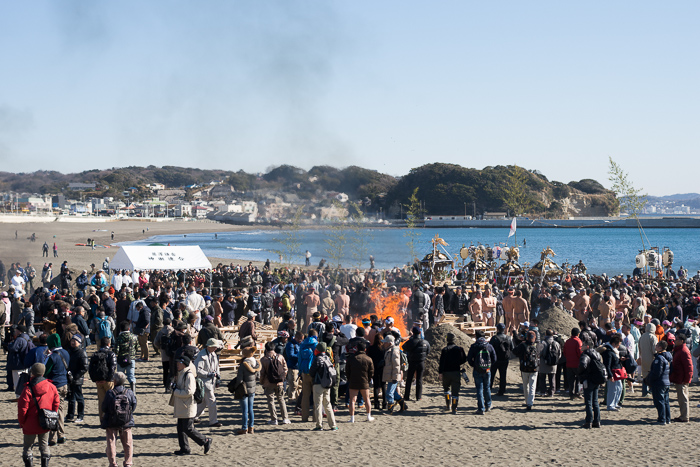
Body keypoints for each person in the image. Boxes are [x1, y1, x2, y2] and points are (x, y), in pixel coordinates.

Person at [18, 363, 59, 467]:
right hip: (46, 421)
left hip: (29, 423)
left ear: (32, 373)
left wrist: (21, 422)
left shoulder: (27, 389)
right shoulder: (51, 387)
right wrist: (52, 415)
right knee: (44, 446)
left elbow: (22, 409)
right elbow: (56, 403)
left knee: (28, 447)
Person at [169, 356, 212, 455]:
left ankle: (205, 440)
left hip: (187, 406)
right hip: (182, 405)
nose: (177, 364)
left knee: (188, 428)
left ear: (184, 363)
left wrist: (175, 391)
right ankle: (184, 448)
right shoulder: (180, 373)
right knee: (180, 428)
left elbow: (189, 391)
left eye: (179, 362)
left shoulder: (188, 375)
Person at [101, 372, 137, 467]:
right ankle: (128, 462)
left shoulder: (110, 393)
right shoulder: (129, 392)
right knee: (128, 443)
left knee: (111, 442)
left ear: (115, 381)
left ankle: (113, 463)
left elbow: (104, 407)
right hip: (126, 421)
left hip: (111, 421)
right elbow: (133, 405)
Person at [45, 333, 69, 445]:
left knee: (54, 411)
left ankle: (55, 437)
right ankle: (60, 435)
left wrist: (46, 357)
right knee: (60, 409)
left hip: (55, 386)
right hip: (64, 384)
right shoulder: (66, 353)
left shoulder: (53, 356)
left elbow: (45, 371)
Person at [308, 342, 338, 431]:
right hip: (327, 384)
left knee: (318, 405)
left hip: (318, 384)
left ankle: (319, 425)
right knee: (328, 405)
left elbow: (311, 372)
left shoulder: (318, 359)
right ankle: (333, 425)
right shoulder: (328, 358)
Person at [467, 330, 497, 414]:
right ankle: (488, 405)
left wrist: (474, 365)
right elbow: (494, 358)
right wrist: (489, 366)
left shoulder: (474, 346)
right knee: (487, 388)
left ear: (476, 337)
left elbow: (469, 358)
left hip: (477, 370)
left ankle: (481, 408)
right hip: (487, 370)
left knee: (479, 389)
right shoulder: (489, 346)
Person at [260, 341, 290, 425]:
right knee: (281, 399)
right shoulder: (280, 357)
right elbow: (285, 369)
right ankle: (285, 418)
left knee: (270, 401)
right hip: (279, 382)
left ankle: (274, 419)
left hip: (268, 383)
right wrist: (282, 378)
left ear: (266, 349)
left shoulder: (263, 359)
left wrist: (262, 382)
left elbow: (262, 373)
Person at [194, 338, 222, 427]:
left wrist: (218, 377)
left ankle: (192, 417)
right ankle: (213, 421)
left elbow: (217, 367)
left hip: (211, 382)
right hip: (204, 382)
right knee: (212, 401)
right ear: (209, 346)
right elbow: (197, 370)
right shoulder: (201, 355)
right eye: (214, 347)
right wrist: (208, 374)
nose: (216, 349)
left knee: (203, 402)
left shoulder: (213, 354)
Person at [89, 337, 118, 422]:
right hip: (108, 381)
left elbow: (90, 368)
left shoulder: (95, 354)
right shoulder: (111, 354)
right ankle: (111, 419)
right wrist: (108, 379)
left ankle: (102, 420)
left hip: (98, 381)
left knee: (101, 401)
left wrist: (95, 379)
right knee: (111, 400)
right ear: (108, 344)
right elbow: (113, 368)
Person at [577, 340, 604, 428]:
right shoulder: (597, 354)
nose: (581, 346)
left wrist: (580, 373)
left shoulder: (585, 355)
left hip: (588, 379)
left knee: (588, 401)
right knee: (595, 401)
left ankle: (589, 421)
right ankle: (597, 421)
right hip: (597, 379)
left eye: (583, 345)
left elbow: (582, 365)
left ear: (587, 346)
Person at [345, 340, 375, 423]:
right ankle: (368, 416)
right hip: (364, 381)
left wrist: (349, 379)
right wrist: (368, 379)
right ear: (365, 349)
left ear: (357, 348)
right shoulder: (368, 359)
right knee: (367, 399)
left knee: (352, 400)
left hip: (353, 380)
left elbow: (347, 371)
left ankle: (352, 418)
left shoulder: (351, 358)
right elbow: (371, 372)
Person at [439, 332, 467, 414]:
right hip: (456, 372)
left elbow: (441, 363)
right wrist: (458, 363)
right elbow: (464, 359)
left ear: (447, 340)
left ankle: (448, 405)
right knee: (455, 392)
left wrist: (440, 373)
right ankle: (454, 409)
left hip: (446, 373)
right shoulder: (459, 349)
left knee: (446, 389)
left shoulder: (444, 350)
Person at [513, 330, 541, 411]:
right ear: (535, 337)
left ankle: (527, 401)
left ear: (527, 337)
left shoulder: (523, 345)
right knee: (533, 385)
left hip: (524, 368)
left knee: (526, 385)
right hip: (535, 368)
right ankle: (530, 403)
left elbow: (514, 351)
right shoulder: (538, 345)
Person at [669, 332, 693, 423]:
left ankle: (684, 417)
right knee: (681, 398)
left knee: (683, 398)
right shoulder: (679, 350)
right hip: (679, 378)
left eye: (677, 339)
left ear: (681, 341)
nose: (675, 340)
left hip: (682, 379)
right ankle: (683, 415)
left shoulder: (683, 351)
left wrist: (686, 380)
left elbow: (689, 367)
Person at [402, 326, 430, 401]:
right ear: (420, 332)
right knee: (419, 379)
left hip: (412, 362)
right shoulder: (425, 342)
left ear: (413, 333)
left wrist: (410, 338)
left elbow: (403, 347)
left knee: (409, 379)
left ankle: (406, 396)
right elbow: (428, 351)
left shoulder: (410, 342)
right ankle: (418, 397)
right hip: (421, 362)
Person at [236, 346, 260, 435]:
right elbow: (258, 376)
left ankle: (244, 428)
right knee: (251, 409)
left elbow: (239, 379)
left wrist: (236, 386)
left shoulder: (243, 365)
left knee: (244, 411)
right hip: (252, 389)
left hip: (244, 389)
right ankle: (251, 427)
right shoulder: (256, 364)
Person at [66, 334, 89, 424]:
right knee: (71, 397)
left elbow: (84, 367)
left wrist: (75, 377)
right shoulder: (69, 351)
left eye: (74, 341)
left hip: (77, 379)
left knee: (79, 397)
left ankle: (80, 415)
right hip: (69, 377)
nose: (72, 342)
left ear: (79, 343)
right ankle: (70, 415)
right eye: (72, 341)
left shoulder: (82, 352)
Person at [647, 341, 672, 425]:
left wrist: (650, 380)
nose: (655, 346)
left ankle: (662, 419)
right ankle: (667, 418)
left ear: (660, 347)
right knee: (665, 401)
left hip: (659, 383)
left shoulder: (659, 358)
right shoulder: (668, 357)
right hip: (666, 382)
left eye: (657, 345)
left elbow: (657, 372)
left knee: (660, 401)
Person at [298, 330, 319, 423]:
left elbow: (299, 359)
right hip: (315, 373)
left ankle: (304, 417)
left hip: (305, 372)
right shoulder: (316, 345)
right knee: (316, 396)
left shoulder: (302, 344)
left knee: (305, 396)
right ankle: (315, 418)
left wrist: (300, 371)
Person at [600, 334, 623, 411]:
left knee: (619, 388)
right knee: (612, 390)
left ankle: (615, 403)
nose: (619, 346)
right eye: (618, 345)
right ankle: (610, 405)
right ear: (613, 344)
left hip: (617, 373)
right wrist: (610, 375)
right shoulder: (608, 352)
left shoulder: (612, 351)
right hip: (613, 373)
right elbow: (607, 365)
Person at [489, 323, 514, 396]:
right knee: (503, 375)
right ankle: (502, 390)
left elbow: (490, 348)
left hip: (495, 359)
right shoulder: (508, 338)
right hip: (505, 359)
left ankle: (489, 389)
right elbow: (512, 348)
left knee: (492, 375)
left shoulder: (494, 338)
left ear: (498, 329)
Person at [115, 321, 139, 393]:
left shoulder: (119, 338)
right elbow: (137, 348)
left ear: (120, 329)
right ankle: (133, 391)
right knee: (131, 375)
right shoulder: (134, 337)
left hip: (121, 359)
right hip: (131, 358)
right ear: (129, 328)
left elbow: (116, 351)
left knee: (120, 377)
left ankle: (121, 391)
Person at [538, 329, 561, 397]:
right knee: (552, 378)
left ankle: (543, 391)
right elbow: (559, 354)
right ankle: (551, 392)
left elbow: (539, 353)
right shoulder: (556, 343)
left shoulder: (542, 342)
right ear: (553, 335)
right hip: (553, 364)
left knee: (542, 378)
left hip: (543, 363)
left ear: (545, 334)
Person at [639, 322, 658, 397]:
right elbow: (654, 349)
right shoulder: (653, 337)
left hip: (643, 358)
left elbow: (639, 347)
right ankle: (651, 390)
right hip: (651, 358)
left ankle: (644, 391)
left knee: (644, 375)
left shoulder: (642, 336)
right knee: (652, 375)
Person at [564, 328, 583, 400]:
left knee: (571, 380)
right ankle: (578, 393)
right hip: (577, 364)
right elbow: (580, 352)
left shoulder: (567, 341)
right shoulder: (578, 341)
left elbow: (564, 352)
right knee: (579, 379)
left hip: (569, 363)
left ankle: (571, 393)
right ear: (578, 334)